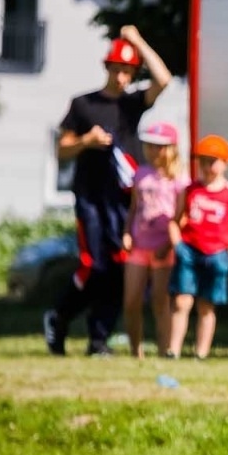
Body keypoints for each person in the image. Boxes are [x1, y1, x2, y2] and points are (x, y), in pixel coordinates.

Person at [43, 26, 173, 356]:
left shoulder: (131, 105)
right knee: (93, 265)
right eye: (117, 70)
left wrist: (138, 41)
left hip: (125, 201)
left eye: (128, 72)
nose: (122, 78)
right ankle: (59, 317)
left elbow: (164, 80)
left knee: (118, 269)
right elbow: (62, 150)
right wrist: (85, 141)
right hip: (90, 199)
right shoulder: (83, 104)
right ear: (107, 68)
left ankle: (98, 340)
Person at [165, 135, 228, 360]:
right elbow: (175, 220)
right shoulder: (190, 190)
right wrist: (178, 244)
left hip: (217, 253)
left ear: (224, 163)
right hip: (190, 250)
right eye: (203, 161)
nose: (207, 166)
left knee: (206, 305)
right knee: (182, 300)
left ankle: (201, 352)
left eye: (213, 161)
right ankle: (173, 349)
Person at [120, 122, 189, 358]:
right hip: (139, 245)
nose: (153, 151)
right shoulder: (141, 173)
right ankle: (135, 350)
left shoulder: (180, 179)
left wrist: (168, 245)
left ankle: (164, 349)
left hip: (163, 249)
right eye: (150, 146)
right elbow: (134, 208)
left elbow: (181, 218)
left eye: (159, 146)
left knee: (160, 302)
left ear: (171, 149)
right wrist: (127, 233)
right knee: (131, 301)